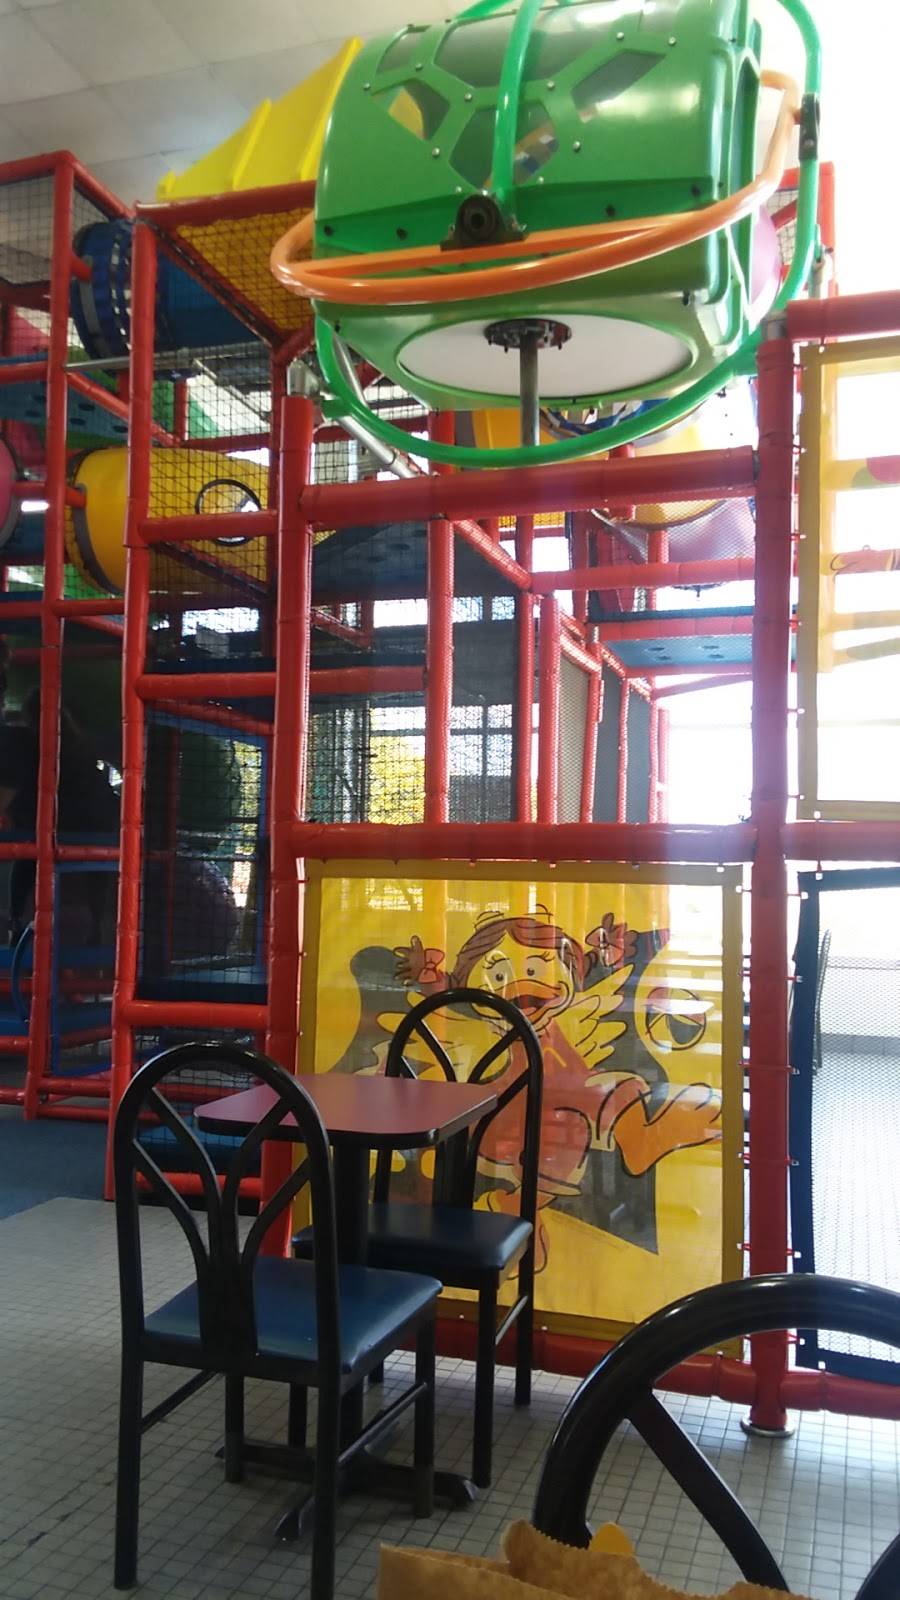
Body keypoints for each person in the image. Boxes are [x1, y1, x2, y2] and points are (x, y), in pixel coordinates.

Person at [0, 690, 119, 944]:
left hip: (55, 825)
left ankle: (16, 922)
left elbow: (11, 788)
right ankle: (96, 925)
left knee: (27, 857)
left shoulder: (28, 743)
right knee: (35, 856)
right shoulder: (79, 741)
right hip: (91, 825)